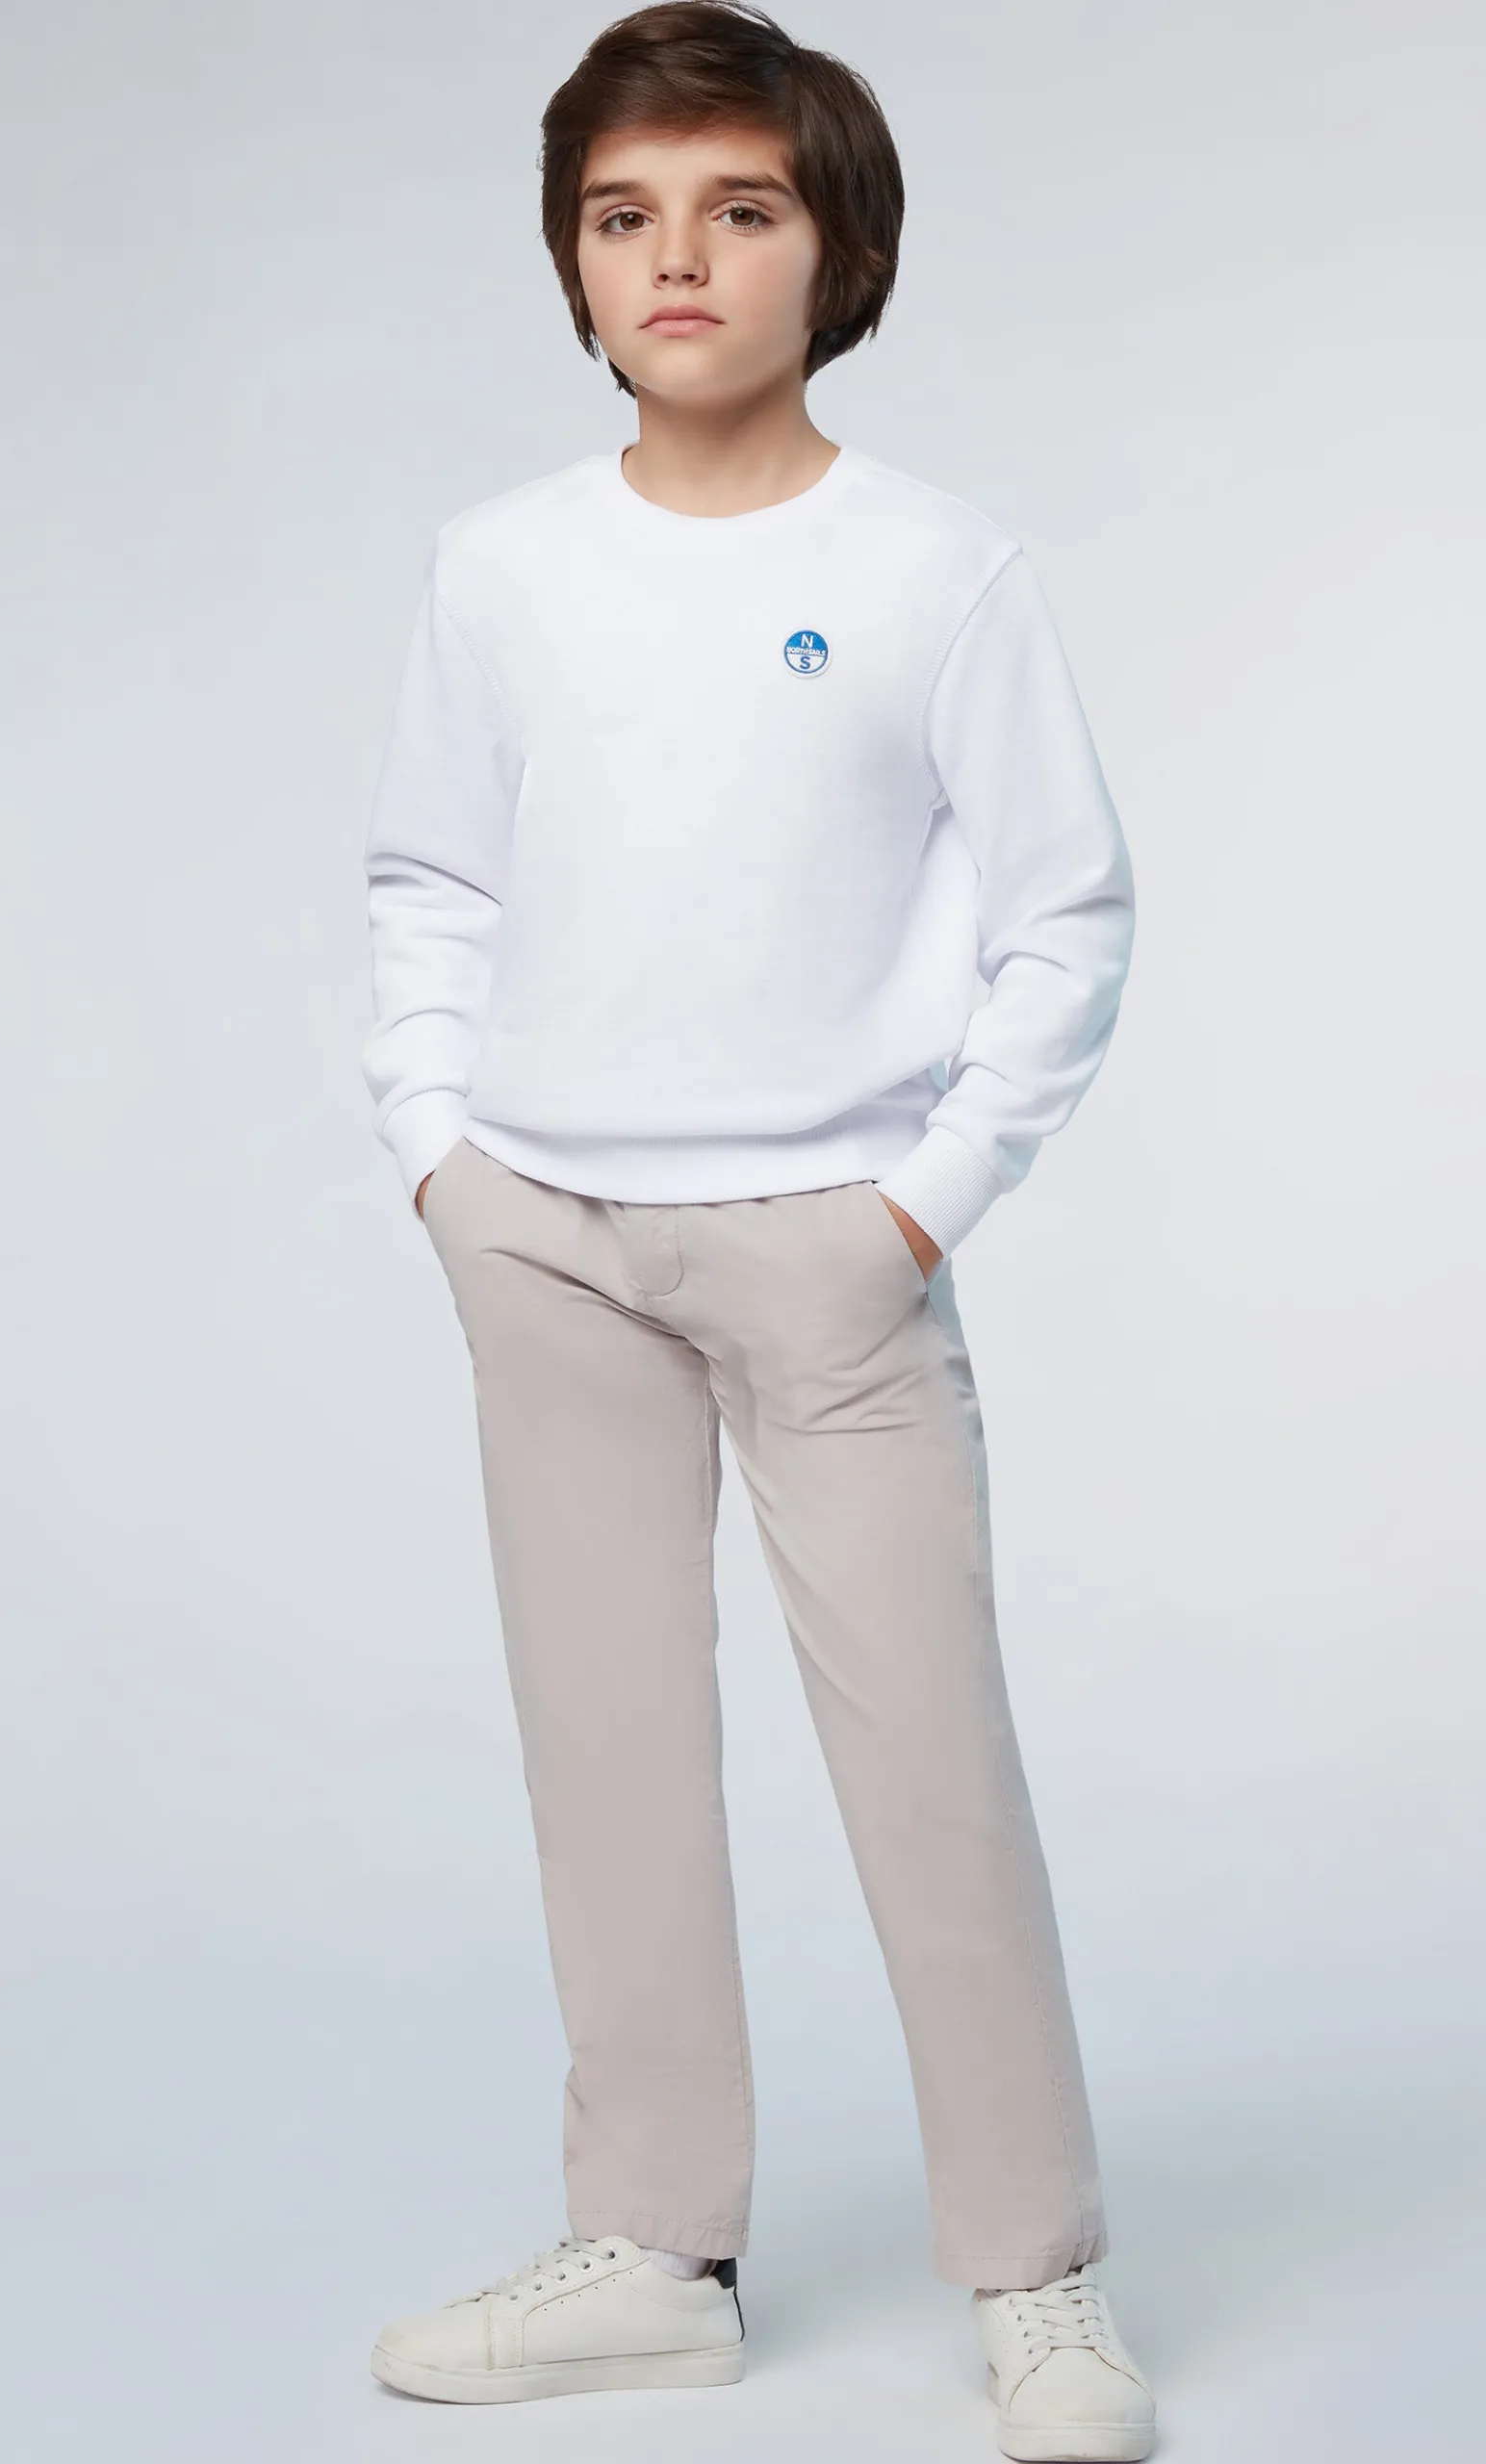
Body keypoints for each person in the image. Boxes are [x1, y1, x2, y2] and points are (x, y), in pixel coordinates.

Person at [356, 7, 1153, 2455]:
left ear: (839, 251)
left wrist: (922, 1202)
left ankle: (1034, 2270)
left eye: (739, 208)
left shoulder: (931, 569)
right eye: (624, 216)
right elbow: (432, 879)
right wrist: (441, 1152)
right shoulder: (501, 567)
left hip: (829, 1247)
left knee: (929, 1760)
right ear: (575, 264)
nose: (677, 258)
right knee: (606, 1747)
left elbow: (1068, 911)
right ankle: (653, 2245)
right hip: (549, 1233)